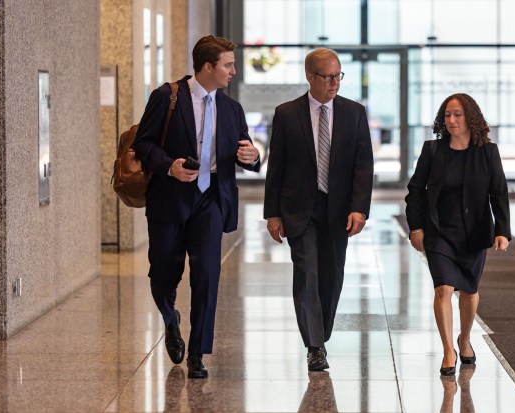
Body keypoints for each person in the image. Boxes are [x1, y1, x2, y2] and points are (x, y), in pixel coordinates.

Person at [133, 35, 261, 378]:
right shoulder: (167, 97)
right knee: (163, 272)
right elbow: (142, 143)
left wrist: (253, 157)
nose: (233, 71)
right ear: (208, 67)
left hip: (211, 200)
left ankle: (198, 354)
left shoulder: (231, 108)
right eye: (228, 65)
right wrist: (169, 165)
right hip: (170, 199)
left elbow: (245, 150)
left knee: (207, 273)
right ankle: (170, 318)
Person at [263, 48, 374, 371]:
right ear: (310, 77)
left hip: (339, 210)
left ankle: (320, 333)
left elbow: (363, 166)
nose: (334, 82)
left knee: (332, 276)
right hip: (299, 209)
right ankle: (315, 345)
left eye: (338, 75)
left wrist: (359, 209)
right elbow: (277, 167)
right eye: (327, 76)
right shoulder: (286, 113)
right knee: (307, 272)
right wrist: (273, 213)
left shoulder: (354, 113)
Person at [405, 93, 511, 376]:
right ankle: (449, 350)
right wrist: (416, 228)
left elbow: (498, 193)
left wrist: (502, 231)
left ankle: (465, 339)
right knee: (443, 289)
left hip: (474, 232)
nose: (451, 120)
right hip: (439, 231)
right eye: (447, 115)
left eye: (457, 115)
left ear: (471, 118)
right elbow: (416, 191)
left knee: (469, 290)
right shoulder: (432, 151)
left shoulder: (487, 152)